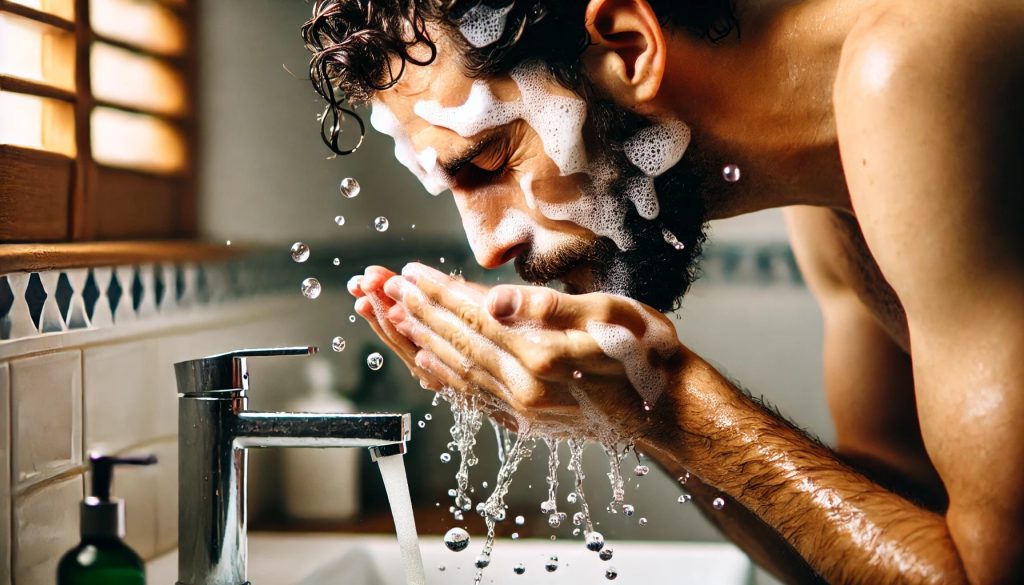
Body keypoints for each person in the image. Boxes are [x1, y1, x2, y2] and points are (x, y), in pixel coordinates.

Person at [302, 1, 1023, 582]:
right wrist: (633, 406)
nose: (487, 247)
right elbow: (878, 539)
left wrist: (671, 403)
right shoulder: (824, 205)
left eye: (488, 160)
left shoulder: (917, 64)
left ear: (629, 47)